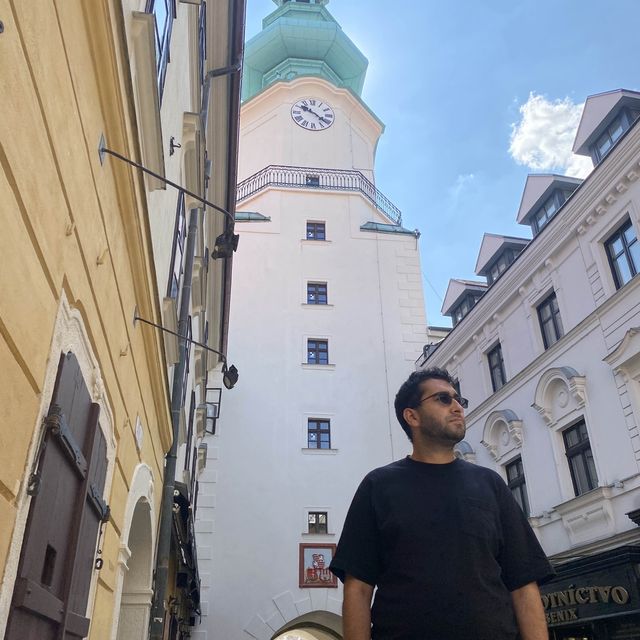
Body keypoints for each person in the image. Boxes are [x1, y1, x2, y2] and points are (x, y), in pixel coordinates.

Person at [329, 367, 554, 640]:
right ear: (412, 416)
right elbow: (358, 588)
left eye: (459, 399)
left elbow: (523, 584)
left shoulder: (491, 485)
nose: (458, 407)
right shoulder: (378, 486)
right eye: (443, 399)